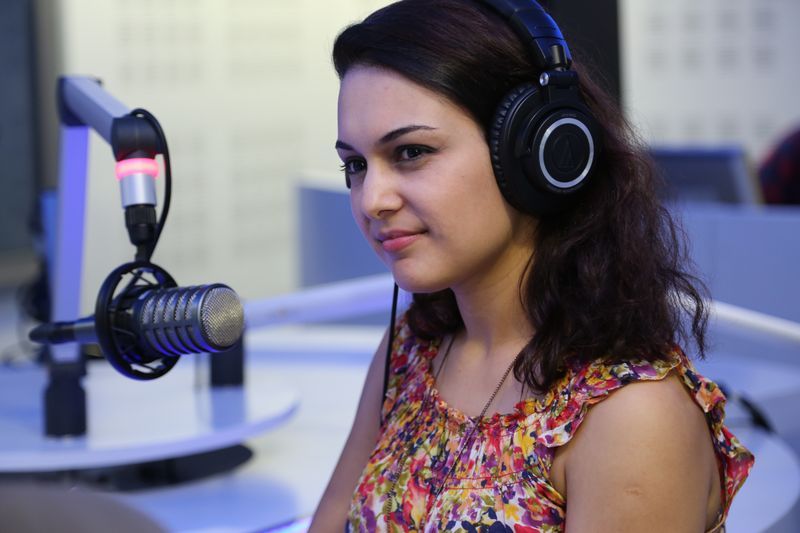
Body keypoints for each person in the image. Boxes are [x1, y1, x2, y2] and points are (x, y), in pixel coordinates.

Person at [311, 1, 754, 531]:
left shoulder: (631, 416)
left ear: (534, 152)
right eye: (356, 165)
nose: (372, 200)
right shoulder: (411, 347)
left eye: (411, 152)